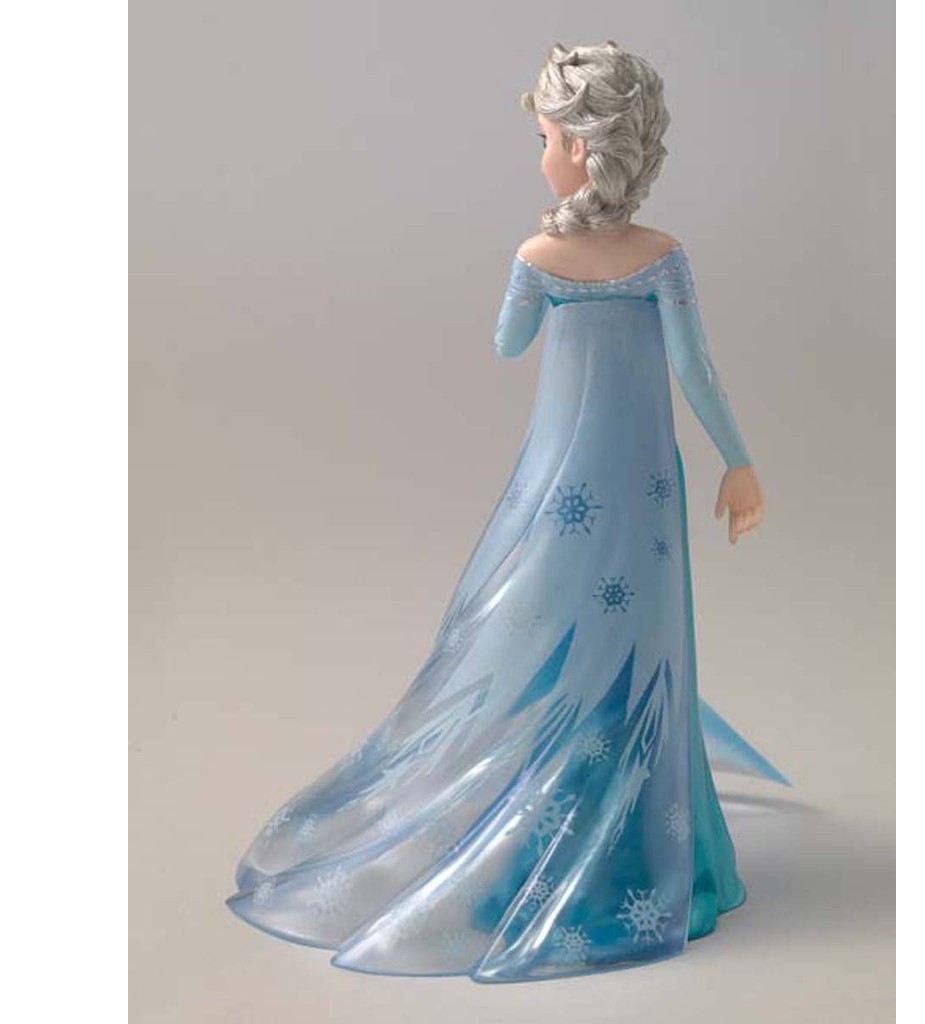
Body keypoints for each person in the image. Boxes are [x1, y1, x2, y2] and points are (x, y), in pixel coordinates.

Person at [226, 40, 789, 984]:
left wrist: (539, 272)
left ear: (582, 148)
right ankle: (655, 845)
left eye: (546, 139)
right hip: (647, 489)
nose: (541, 157)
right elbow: (695, 368)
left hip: (564, 490)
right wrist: (740, 461)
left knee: (547, 633)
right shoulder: (663, 258)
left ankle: (563, 823)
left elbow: (507, 342)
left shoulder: (539, 255)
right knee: (640, 644)